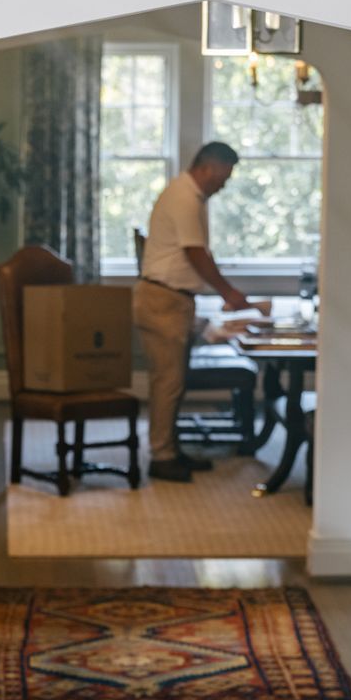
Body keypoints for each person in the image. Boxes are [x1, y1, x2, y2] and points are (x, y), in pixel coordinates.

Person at [133, 140, 265, 483]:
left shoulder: (189, 196)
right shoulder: (184, 198)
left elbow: (197, 255)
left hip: (172, 300)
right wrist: (229, 293)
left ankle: (171, 448)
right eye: (226, 173)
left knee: (173, 383)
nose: (226, 182)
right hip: (163, 301)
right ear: (208, 167)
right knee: (168, 383)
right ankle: (162, 457)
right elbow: (195, 254)